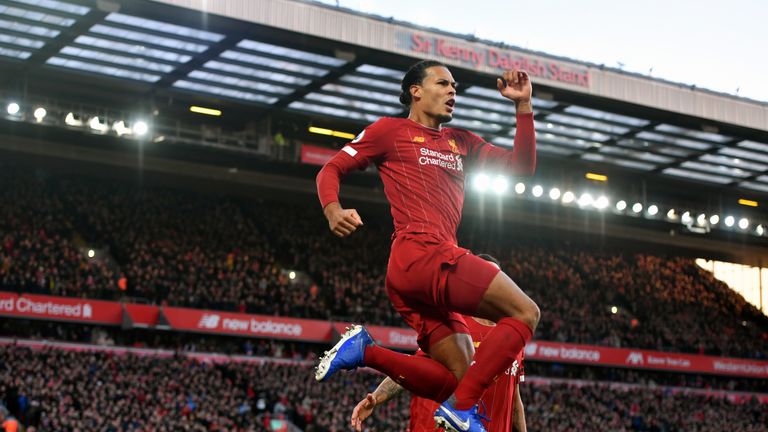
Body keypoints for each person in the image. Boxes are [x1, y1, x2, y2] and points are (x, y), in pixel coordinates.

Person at [315, 59, 539, 432]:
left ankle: (365, 351)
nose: (453, 91)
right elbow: (331, 168)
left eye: (455, 86)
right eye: (443, 83)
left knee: (456, 377)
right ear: (415, 91)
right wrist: (332, 208)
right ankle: (462, 410)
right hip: (421, 252)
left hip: (418, 274)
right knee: (526, 313)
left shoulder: (461, 141)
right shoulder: (389, 131)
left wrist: (523, 106)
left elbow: (521, 168)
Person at [351, 255, 527, 432]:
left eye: (495, 278)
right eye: (486, 277)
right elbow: (413, 369)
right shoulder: (454, 326)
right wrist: (377, 397)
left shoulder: (513, 334)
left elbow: (514, 399)